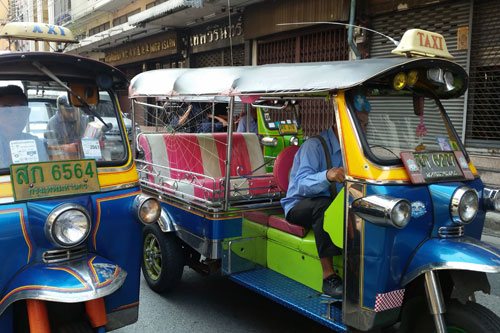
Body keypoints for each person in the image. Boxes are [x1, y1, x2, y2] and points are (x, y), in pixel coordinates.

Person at [281, 93, 370, 299]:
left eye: (364, 125)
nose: (363, 131)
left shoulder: (355, 151)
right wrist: (327, 175)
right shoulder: (315, 146)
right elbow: (301, 185)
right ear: (342, 123)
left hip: (334, 205)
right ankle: (328, 276)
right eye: (359, 125)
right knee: (325, 206)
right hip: (298, 205)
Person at [0, 85, 49, 168]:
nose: (16, 117)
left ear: (27, 113)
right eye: (7, 111)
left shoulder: (35, 143)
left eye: (21, 110)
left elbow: (45, 172)